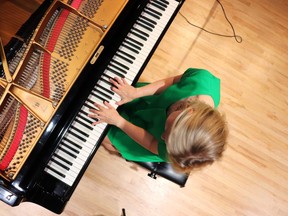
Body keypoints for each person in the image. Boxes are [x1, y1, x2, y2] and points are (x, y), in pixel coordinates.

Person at [88, 68, 228, 172]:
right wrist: (135, 93)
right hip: (148, 101)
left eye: (165, 140)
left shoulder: (176, 150)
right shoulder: (202, 81)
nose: (162, 136)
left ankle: (116, 149)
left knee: (106, 139)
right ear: (188, 111)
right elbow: (173, 81)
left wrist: (119, 122)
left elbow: (151, 142)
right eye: (167, 130)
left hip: (143, 136)